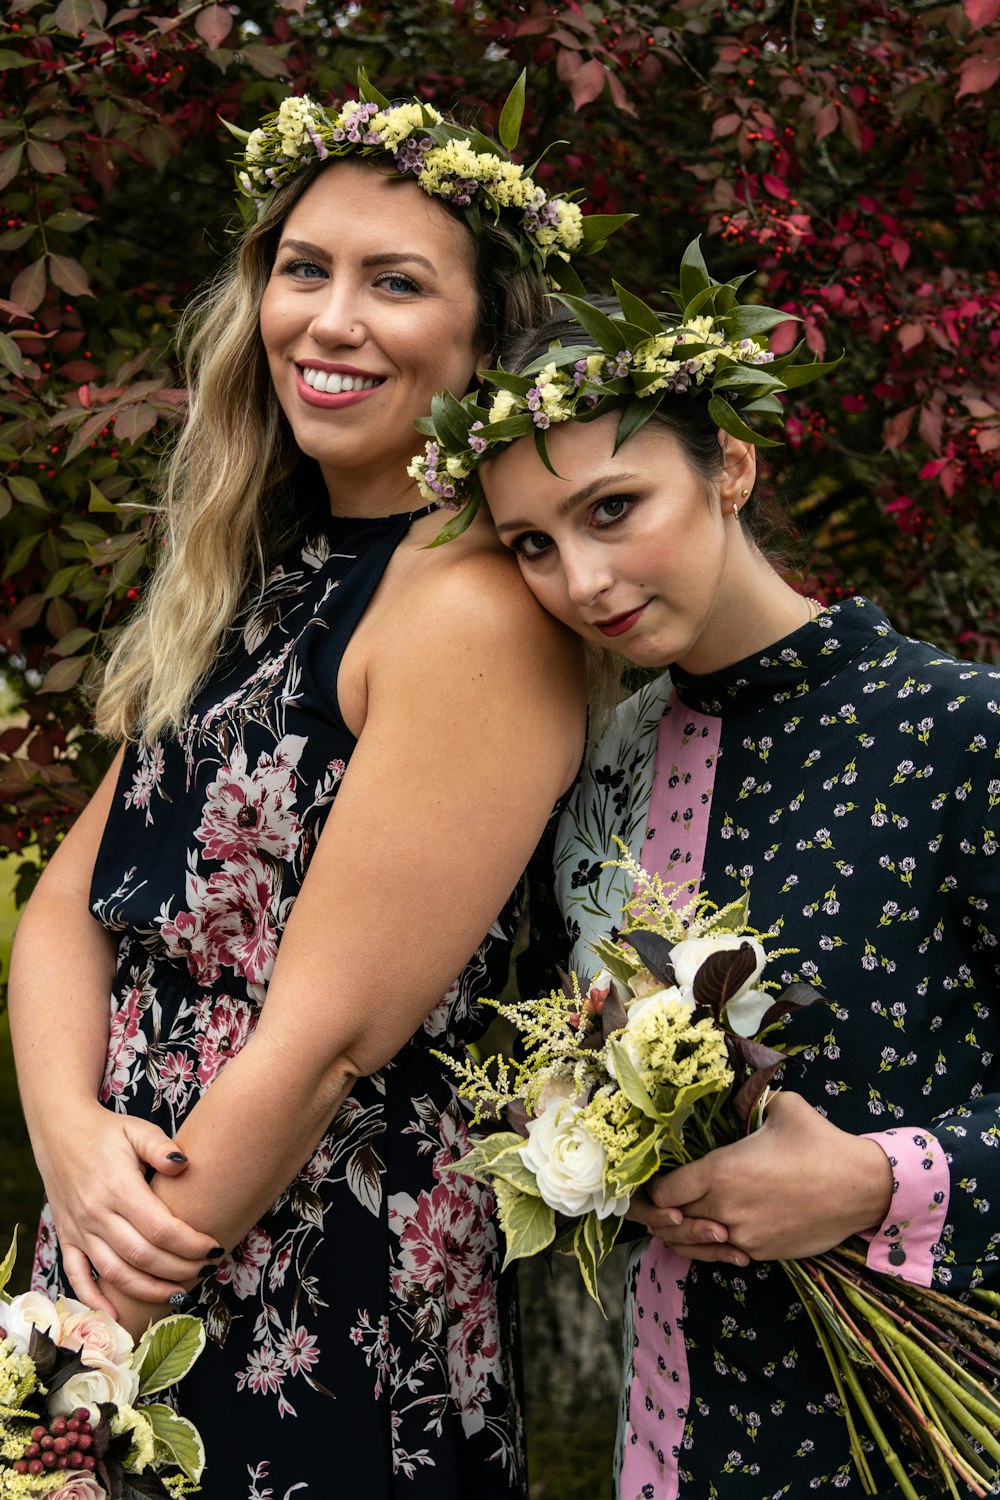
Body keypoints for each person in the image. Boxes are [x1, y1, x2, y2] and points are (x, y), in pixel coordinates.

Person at [6, 75, 612, 1497]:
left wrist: (80, 1352)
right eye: (302, 270)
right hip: (122, 1225)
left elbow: (325, 1042)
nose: (329, 321)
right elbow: (66, 912)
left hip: (303, 1277)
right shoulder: (262, 572)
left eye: (393, 283)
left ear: (484, 340)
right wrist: (71, 1143)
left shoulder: (467, 612)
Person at [412, 251, 1000, 1497]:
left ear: (730, 464)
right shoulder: (594, 767)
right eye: (531, 542)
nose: (582, 582)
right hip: (678, 1436)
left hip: (934, 1436)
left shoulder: (960, 732)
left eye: (613, 508)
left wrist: (877, 1180)